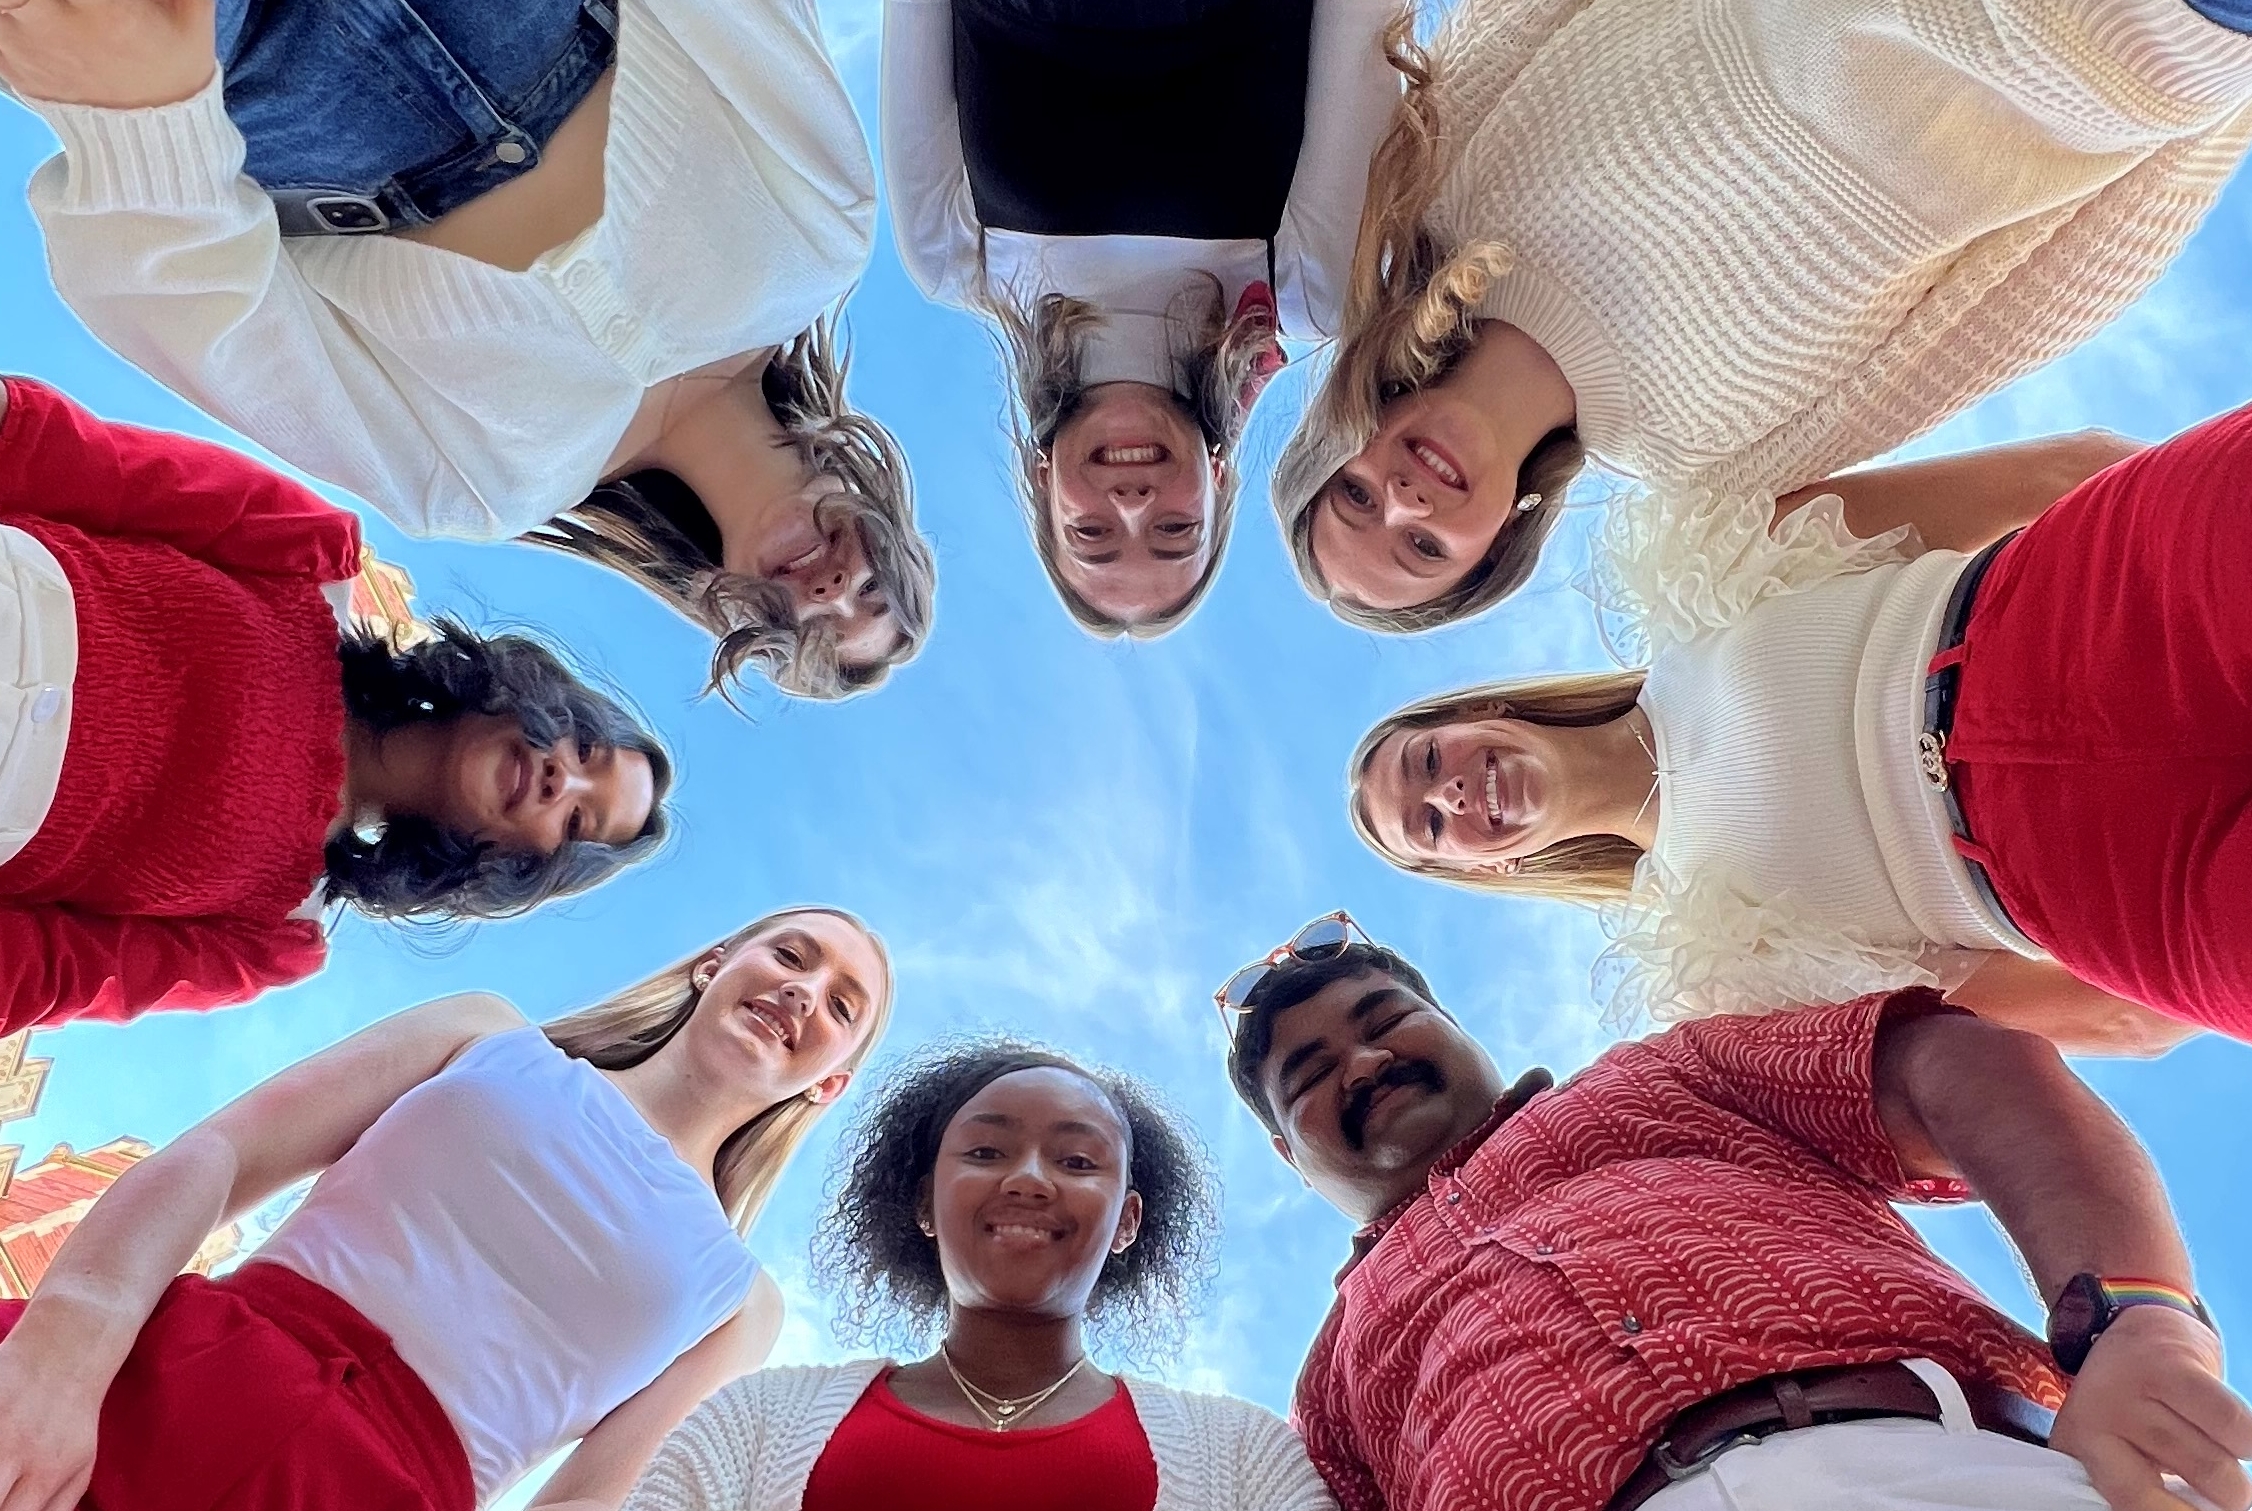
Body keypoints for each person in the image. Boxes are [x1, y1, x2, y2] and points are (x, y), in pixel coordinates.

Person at [0, 0, 936, 701]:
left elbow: (222, 326)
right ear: (886, 518)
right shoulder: (822, 236)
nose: (836, 591)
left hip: (236, 68)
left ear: (732, 624)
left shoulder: (487, 486)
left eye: (816, 639)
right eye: (878, 591)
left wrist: (138, 117)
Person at [1267, 0, 2252, 633]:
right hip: (2107, 62)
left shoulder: (1428, 189)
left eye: (1351, 495)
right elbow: (1984, 330)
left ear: (1335, 435)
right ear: (1497, 545)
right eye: (1422, 549)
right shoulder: (1708, 462)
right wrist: (2202, 123)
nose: (1401, 500)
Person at [1218, 914, 2252, 1511]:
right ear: (1286, 1155)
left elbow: (1959, 1065)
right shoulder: (1326, 1389)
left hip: (1950, 1465)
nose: (1361, 1060)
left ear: (1451, 1026)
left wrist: (2138, 1319)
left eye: (1385, 1018)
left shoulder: (1668, 1071)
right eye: (1307, 1070)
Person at [1346, 402, 2252, 1055]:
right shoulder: (1720, 972)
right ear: (1486, 867)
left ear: (1479, 713)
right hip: (2099, 881)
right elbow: (2100, 1015)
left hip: (2092, 603)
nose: (1450, 791)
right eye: (1428, 821)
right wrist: (2186, 969)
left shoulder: (1701, 573)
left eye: (1427, 759)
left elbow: (2055, 472)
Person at [0, 905, 896, 1511]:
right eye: (789, 954)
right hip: (163, 1371)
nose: (802, 992)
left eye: (841, 1005)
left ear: (831, 1083)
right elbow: (224, 1153)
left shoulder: (742, 1300)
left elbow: (588, 1500)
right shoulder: (486, 1031)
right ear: (715, 965)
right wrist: (62, 1352)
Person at [0, 376, 673, 1036]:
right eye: (586, 748)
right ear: (545, 695)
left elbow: (54, 971)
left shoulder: (273, 935)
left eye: (580, 819)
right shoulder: (310, 555)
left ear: (531, 862)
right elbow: (86, 465)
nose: (564, 779)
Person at [624, 1039, 1338, 1511]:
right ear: (923, 1202)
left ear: (1126, 1221)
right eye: (988, 1151)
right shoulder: (750, 1425)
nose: (1028, 1179)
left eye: (1078, 1161)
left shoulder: (1246, 1459)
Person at [880, 0, 1399, 635]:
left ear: (1043, 482)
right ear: (1217, 475)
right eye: (1174, 530)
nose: (1132, 506)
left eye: (1090, 532)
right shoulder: (1309, 290)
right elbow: (1359, 20)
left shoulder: (958, 256)